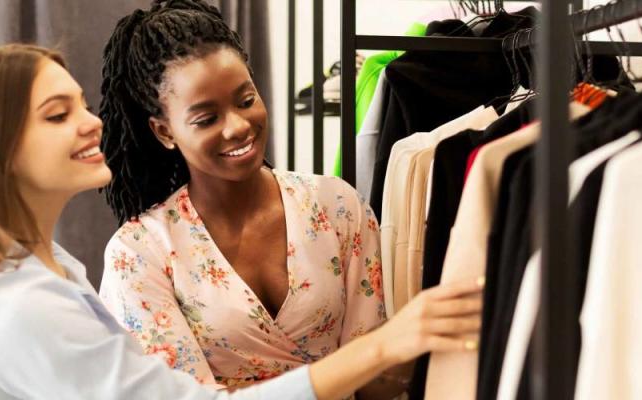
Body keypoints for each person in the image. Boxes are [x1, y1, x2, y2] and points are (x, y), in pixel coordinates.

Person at [0, 44, 483, 400]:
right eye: (58, 115)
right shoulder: (29, 303)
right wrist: (386, 347)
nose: (91, 124)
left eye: (82, 105)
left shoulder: (53, 271)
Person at [95, 1, 417, 397]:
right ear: (164, 131)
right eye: (206, 118)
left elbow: (375, 382)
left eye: (245, 100)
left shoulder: (336, 207)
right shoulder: (140, 252)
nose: (237, 126)